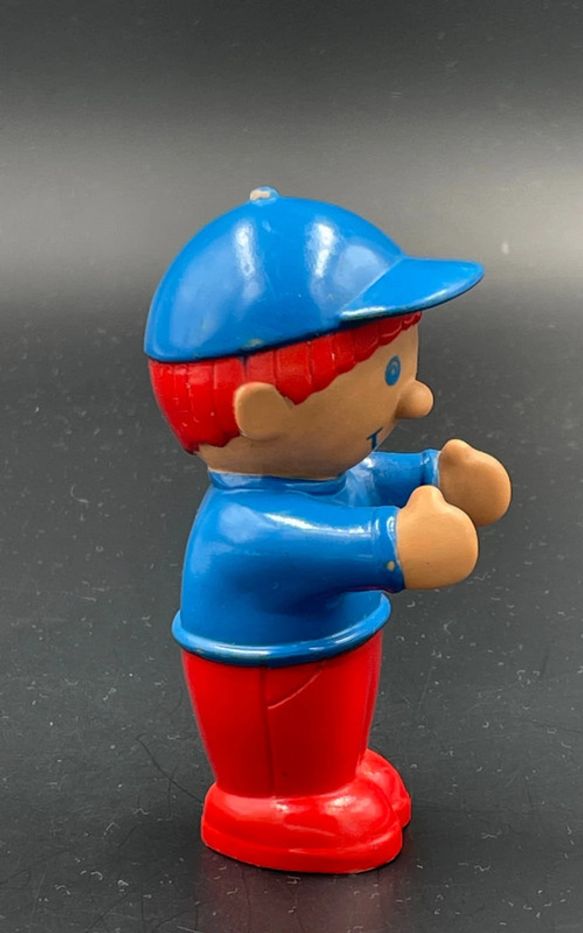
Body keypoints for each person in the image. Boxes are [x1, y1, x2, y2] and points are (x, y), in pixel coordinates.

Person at [145, 186, 511, 873]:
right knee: (293, 740)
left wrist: (442, 475)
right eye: (391, 374)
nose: (418, 398)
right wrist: (403, 544)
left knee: (334, 727)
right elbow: (352, 543)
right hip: (269, 691)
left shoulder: (335, 470)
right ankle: (278, 802)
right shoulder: (247, 527)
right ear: (262, 412)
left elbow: (382, 477)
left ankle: (334, 773)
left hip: (329, 663)